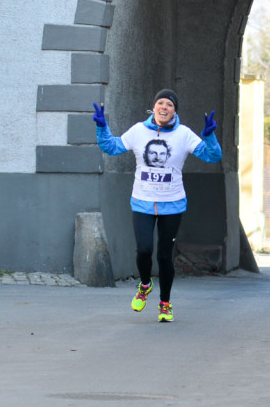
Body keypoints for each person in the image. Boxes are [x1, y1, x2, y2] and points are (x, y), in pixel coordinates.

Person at [92, 89, 221, 323]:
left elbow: (212, 156)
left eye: (169, 104)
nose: (164, 107)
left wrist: (210, 136)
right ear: (154, 107)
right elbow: (112, 147)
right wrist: (102, 127)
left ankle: (165, 304)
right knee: (143, 250)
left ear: (174, 110)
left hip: (172, 204)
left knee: (164, 257)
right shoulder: (139, 131)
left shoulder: (183, 134)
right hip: (142, 202)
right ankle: (144, 285)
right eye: (160, 102)